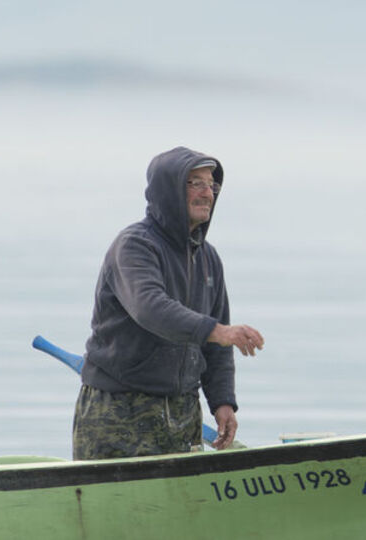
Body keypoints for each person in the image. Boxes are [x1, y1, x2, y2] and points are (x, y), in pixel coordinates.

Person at [72, 146, 265, 459]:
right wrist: (218, 331)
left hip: (183, 411)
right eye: (195, 183)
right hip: (120, 408)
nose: (207, 193)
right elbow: (150, 307)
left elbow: (215, 348)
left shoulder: (208, 258)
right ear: (169, 191)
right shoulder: (134, 246)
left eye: (211, 185)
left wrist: (222, 403)